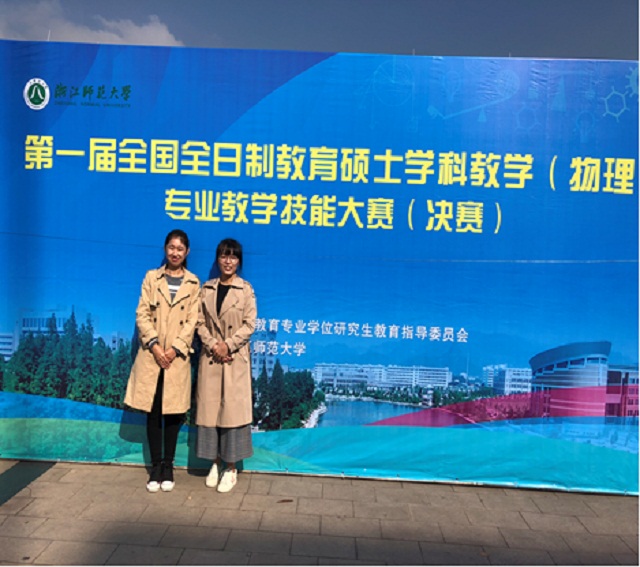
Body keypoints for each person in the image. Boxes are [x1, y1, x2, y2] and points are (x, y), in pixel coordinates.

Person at [124, 229, 200, 493]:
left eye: (180, 249)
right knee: (154, 412)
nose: (175, 253)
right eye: (171, 247)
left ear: (187, 252)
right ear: (165, 249)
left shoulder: (193, 283)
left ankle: (169, 465)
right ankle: (155, 466)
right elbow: (142, 313)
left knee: (174, 413)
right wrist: (155, 346)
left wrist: (175, 349)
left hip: (177, 358)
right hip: (152, 356)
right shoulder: (151, 278)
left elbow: (193, 320)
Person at [196, 238, 257, 493]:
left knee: (232, 413)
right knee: (211, 412)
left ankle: (231, 468)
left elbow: (250, 324)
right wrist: (213, 345)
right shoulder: (207, 289)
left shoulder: (246, 290)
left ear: (239, 261)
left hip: (233, 359)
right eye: (224, 256)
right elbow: (199, 322)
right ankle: (214, 462)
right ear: (217, 259)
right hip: (212, 358)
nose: (228, 261)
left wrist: (227, 345)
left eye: (233, 256)